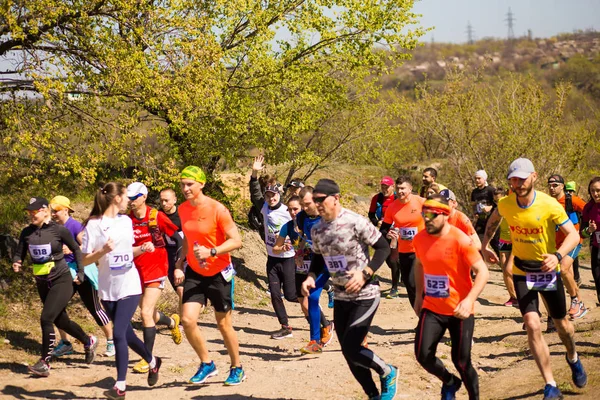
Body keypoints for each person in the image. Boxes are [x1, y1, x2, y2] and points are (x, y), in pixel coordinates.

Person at [482, 158, 587, 399]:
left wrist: (558, 255)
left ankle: (573, 356)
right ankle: (550, 385)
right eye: (513, 180)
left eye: (522, 178)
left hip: (545, 270)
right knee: (532, 324)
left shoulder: (549, 205)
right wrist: (485, 245)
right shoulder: (507, 203)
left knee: (562, 327)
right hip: (521, 270)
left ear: (534, 176)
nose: (517, 184)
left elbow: (572, 235)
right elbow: (494, 220)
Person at [302, 179, 398, 400]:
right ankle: (373, 394)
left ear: (335, 198)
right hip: (341, 295)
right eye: (314, 200)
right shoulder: (317, 229)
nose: (317, 204)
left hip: (366, 293)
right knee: (348, 352)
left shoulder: (356, 221)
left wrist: (366, 272)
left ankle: (388, 371)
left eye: (320, 199)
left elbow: (382, 247)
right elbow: (318, 259)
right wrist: (310, 277)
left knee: (353, 345)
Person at [81, 183, 162, 399]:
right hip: (108, 289)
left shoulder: (126, 222)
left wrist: (141, 248)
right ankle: (153, 362)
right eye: (126, 196)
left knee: (118, 334)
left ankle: (120, 386)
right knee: (127, 335)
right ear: (116, 198)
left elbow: (128, 251)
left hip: (130, 284)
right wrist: (102, 251)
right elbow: (84, 259)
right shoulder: (93, 225)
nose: (128, 200)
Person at [413, 195, 489, 400]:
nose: (426, 219)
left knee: (462, 362)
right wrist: (419, 295)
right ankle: (450, 381)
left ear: (445, 215)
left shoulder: (461, 240)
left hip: (460, 310)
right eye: (423, 214)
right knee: (423, 355)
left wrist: (469, 300)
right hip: (432, 307)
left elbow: (483, 271)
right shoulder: (419, 239)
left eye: (431, 215)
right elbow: (419, 265)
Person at [175, 166, 246, 385]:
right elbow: (187, 237)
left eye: (190, 184)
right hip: (195, 272)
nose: (185, 188)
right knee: (187, 320)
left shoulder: (218, 209)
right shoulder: (183, 209)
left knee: (223, 324)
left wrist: (212, 251)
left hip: (218, 273)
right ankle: (207, 364)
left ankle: (237, 367)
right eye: (182, 184)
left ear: (202, 184)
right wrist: (180, 261)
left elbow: (237, 240)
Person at [12, 197, 98, 377]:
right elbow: (19, 251)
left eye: (34, 212)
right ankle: (88, 340)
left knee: (46, 318)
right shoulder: (27, 232)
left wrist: (81, 273)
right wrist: (17, 261)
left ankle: (45, 362)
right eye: (29, 212)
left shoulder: (59, 230)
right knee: (61, 321)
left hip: (62, 279)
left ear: (45, 211)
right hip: (42, 282)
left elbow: (76, 249)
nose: (31, 215)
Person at [48, 196, 114, 359]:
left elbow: (88, 247)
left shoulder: (75, 225)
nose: (54, 214)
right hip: (64, 273)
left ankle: (111, 341)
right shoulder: (53, 228)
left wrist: (72, 249)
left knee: (95, 308)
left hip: (82, 271)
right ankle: (65, 343)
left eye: (56, 210)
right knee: (57, 308)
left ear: (66, 210)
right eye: (52, 211)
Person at [127, 182, 182, 373]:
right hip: (136, 270)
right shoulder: (127, 219)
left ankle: (147, 358)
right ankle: (172, 322)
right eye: (129, 198)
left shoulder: (156, 216)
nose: (131, 201)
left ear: (143, 197)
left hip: (157, 267)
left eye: (134, 197)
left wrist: (178, 264)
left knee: (144, 313)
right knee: (147, 312)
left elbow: (179, 238)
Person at [272, 195, 333, 354]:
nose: (292, 212)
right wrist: (285, 248)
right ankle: (320, 332)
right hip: (300, 266)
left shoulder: (313, 221)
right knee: (302, 302)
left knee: (312, 299)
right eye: (290, 209)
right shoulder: (287, 227)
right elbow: (275, 248)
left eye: (296, 209)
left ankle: (324, 330)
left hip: (319, 264)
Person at [249, 155, 298, 339]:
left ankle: (322, 321)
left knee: (292, 296)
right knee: (275, 294)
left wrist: (290, 243)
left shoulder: (288, 211)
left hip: (288, 259)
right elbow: (255, 194)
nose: (270, 198)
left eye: (274, 195)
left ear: (280, 195)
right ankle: (285, 327)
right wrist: (255, 173)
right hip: (272, 259)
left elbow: (298, 230)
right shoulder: (264, 208)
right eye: (268, 195)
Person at [295, 186, 335, 353]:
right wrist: (300, 251)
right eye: (302, 205)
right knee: (312, 297)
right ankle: (315, 341)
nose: (305, 208)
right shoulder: (301, 217)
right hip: (319, 262)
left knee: (351, 301)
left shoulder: (328, 216)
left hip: (339, 261)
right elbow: (304, 238)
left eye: (307, 204)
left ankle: (361, 339)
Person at [547, 174, 587, 319]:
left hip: (574, 240)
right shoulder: (548, 202)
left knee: (563, 269)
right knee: (567, 274)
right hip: (558, 244)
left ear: (562, 186)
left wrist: (586, 230)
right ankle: (580, 304)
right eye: (549, 185)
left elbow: (588, 209)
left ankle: (576, 300)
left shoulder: (572, 200)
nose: (552, 188)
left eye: (555, 185)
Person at [380, 176, 425, 302]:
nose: (400, 192)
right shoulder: (392, 207)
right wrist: (389, 234)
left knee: (416, 283)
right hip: (404, 251)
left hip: (422, 250)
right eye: (398, 188)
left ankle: (428, 314)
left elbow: (437, 219)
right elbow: (384, 229)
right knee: (409, 285)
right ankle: (421, 315)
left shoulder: (421, 202)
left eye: (403, 188)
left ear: (410, 189)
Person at [159, 188, 185, 332]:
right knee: (180, 290)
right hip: (168, 255)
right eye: (161, 200)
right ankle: (184, 320)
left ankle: (184, 321)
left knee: (183, 290)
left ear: (175, 200)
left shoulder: (183, 214)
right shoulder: (158, 215)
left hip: (185, 254)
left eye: (166, 200)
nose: (164, 203)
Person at [493, 188, 518, 307]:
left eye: (500, 200)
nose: (498, 203)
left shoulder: (512, 207)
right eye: (496, 201)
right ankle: (513, 297)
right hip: (503, 240)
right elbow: (493, 224)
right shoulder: (498, 210)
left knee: (510, 269)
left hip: (515, 240)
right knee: (504, 269)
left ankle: (520, 295)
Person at [581, 176, 600, 305]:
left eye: (598, 190)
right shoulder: (588, 207)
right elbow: (582, 232)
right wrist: (589, 230)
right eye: (592, 190)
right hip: (596, 248)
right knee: (598, 280)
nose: (595, 194)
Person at [470, 170, 496, 245]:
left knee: (495, 243)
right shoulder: (474, 192)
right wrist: (475, 212)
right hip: (480, 221)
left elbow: (498, 203)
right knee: (477, 242)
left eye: (479, 178)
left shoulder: (490, 190)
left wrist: (490, 207)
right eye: (475, 178)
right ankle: (481, 256)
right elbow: (473, 204)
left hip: (492, 220)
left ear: (484, 179)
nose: (477, 180)